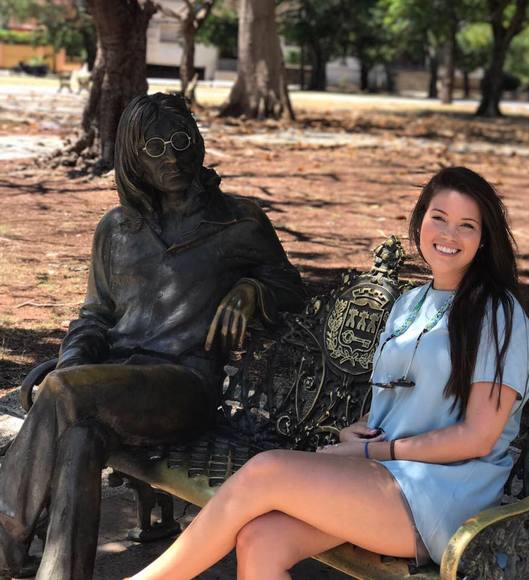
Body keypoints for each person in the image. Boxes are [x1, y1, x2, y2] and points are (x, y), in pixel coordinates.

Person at [129, 166, 529, 580]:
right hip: (386, 476)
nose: (449, 234)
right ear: (420, 223)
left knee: (264, 471)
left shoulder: (498, 313)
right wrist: (358, 432)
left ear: (484, 238)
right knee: (261, 539)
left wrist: (373, 453)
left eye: (467, 225)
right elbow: (404, 399)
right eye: (439, 218)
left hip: (445, 496)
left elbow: (478, 436)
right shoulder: (410, 304)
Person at [0, 93, 305, 580]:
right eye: (155, 148)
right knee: (79, 439)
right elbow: (94, 317)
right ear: (133, 158)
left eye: (181, 140)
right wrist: (74, 367)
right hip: (112, 384)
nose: (173, 157)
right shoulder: (116, 230)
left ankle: (5, 537)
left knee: (62, 393)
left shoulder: (239, 221)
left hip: (185, 386)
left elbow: (292, 288)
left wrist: (254, 289)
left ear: (197, 141)